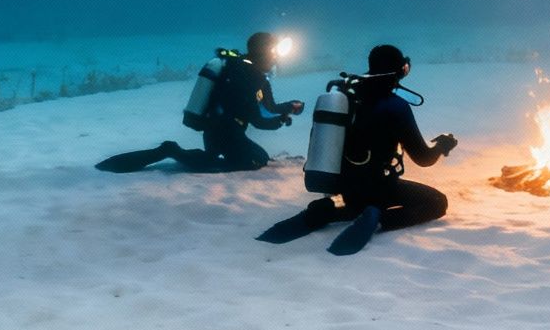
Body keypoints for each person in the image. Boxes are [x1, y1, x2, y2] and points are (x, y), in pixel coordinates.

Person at [259, 43, 457, 255]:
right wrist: (442, 145)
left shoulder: (346, 94)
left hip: (341, 184)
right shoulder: (395, 106)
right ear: (400, 71)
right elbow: (423, 158)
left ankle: (326, 211)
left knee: (359, 201)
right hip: (376, 185)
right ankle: (379, 218)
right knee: (437, 202)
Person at [94, 31, 304, 173]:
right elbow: (259, 120)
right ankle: (171, 150)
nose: (276, 59)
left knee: (257, 157)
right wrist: (281, 120)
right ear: (263, 53)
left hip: (222, 129)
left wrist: (289, 108)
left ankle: (189, 154)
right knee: (252, 161)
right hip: (223, 131)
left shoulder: (251, 73)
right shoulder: (248, 76)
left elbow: (269, 107)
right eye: (273, 53)